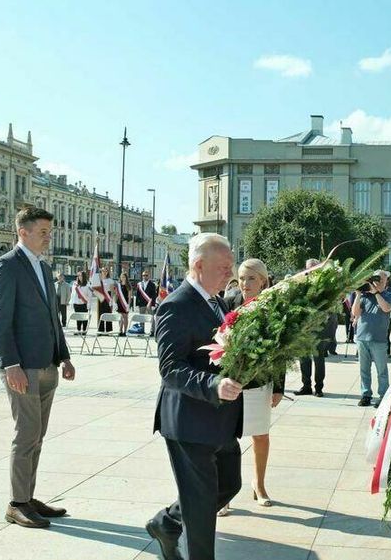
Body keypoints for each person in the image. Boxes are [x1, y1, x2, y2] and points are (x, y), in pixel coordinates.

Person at [146, 233, 243, 560]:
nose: (230, 273)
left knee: (228, 484)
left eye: (231, 265)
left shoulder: (217, 301)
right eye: (224, 266)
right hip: (189, 420)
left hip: (220, 418)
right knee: (201, 508)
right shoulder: (177, 305)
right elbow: (170, 368)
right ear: (199, 265)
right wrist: (213, 385)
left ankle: (167, 523)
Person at [0, 206, 76, 529]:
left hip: (47, 363)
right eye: (42, 232)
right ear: (22, 232)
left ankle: (28, 496)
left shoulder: (43, 266)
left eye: (49, 232)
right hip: (22, 366)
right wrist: (10, 363)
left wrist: (64, 356)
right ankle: (17, 503)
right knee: (26, 433)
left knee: (37, 434)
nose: (48, 237)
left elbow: (53, 316)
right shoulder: (7, 265)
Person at [219, 258, 283, 516]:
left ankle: (259, 485)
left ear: (263, 281)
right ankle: (224, 494)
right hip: (231, 381)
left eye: (251, 278)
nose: (245, 283)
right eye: (242, 278)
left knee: (260, 435)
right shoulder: (228, 303)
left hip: (260, 382)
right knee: (225, 439)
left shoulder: (273, 307)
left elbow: (281, 348)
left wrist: (278, 386)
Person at [352, 269, 391, 407]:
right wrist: (358, 294)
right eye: (376, 279)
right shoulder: (365, 296)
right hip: (362, 337)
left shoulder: (389, 295)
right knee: (364, 369)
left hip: (378, 339)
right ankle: (365, 395)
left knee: (381, 370)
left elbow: (386, 308)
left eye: (381, 280)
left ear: (386, 281)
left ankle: (383, 396)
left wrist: (376, 293)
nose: (378, 282)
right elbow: (355, 313)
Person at [297, 258, 331, 396]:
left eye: (314, 267)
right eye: (309, 267)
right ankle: (306, 386)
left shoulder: (325, 283)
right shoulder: (301, 283)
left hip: (318, 326)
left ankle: (319, 387)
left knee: (318, 358)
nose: (311, 270)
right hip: (303, 326)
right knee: (303, 357)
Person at [97, 266, 116, 333]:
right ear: (101, 272)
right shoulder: (99, 280)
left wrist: (111, 300)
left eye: (106, 271)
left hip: (107, 298)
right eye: (103, 271)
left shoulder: (110, 280)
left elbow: (112, 292)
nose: (104, 272)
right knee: (100, 314)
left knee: (108, 314)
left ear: (108, 272)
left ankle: (108, 330)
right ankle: (100, 330)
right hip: (100, 298)